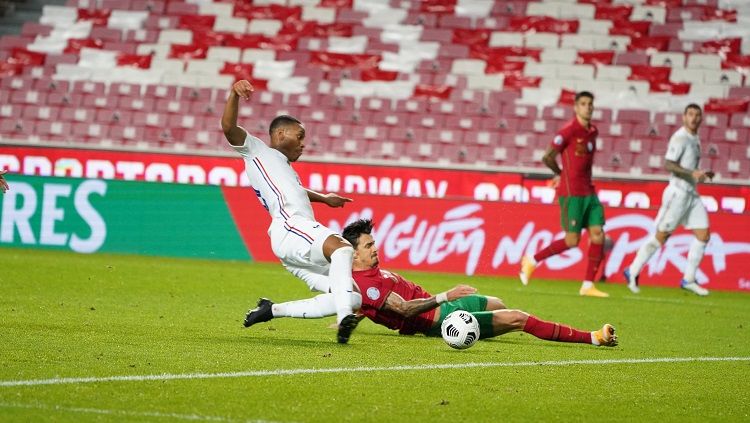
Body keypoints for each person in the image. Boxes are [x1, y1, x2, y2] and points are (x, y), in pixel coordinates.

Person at [223, 79, 361, 343]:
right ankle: (344, 318)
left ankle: (270, 310)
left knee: (352, 295)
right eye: (299, 137)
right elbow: (228, 128)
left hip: (292, 241)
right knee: (343, 249)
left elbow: (296, 193)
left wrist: (324, 198)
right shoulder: (257, 151)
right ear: (280, 135)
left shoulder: (283, 169)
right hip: (290, 226)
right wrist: (234, 94)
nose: (303, 144)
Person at [339, 219, 617, 347]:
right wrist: (447, 295)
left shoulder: (368, 279)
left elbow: (369, 305)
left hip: (443, 307)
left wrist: (352, 315)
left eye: (373, 242)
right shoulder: (366, 283)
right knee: (518, 318)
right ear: (354, 253)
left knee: (498, 303)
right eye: (368, 245)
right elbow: (403, 310)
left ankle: (490, 323)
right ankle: (593, 338)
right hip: (441, 319)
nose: (375, 248)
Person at [519, 91, 609, 297]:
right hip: (572, 192)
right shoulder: (568, 131)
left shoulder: (593, 131)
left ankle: (587, 285)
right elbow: (547, 157)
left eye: (590, 104)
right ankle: (532, 260)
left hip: (589, 190)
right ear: (576, 107)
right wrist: (561, 174)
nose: (588, 107)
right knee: (572, 241)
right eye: (583, 104)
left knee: (598, 234)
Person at [623, 104, 713, 296]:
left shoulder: (694, 138)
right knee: (661, 236)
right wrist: (692, 173)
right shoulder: (680, 138)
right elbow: (668, 164)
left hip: (691, 194)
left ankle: (688, 279)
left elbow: (689, 166)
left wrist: (700, 174)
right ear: (683, 117)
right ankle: (633, 269)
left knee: (703, 235)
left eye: (698, 115)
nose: (694, 118)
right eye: (690, 114)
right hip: (677, 194)